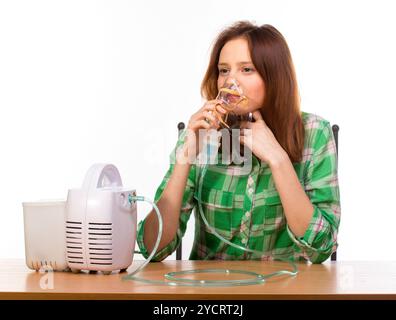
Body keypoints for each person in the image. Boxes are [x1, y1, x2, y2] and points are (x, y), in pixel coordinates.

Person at [137, 21, 341, 264]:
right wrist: (186, 156)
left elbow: (321, 248)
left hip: (284, 289)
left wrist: (278, 160)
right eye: (224, 70)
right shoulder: (204, 133)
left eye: (246, 69)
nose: (230, 82)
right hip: (211, 293)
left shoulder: (315, 133)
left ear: (274, 76)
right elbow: (153, 248)